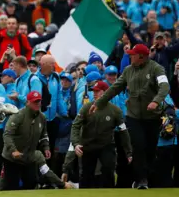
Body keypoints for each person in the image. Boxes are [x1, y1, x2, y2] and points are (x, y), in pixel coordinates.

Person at [90, 44, 169, 189]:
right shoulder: (128, 71)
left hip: (152, 116)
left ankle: (147, 177)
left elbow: (165, 87)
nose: (129, 56)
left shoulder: (156, 68)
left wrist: (155, 101)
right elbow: (114, 88)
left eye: (132, 54)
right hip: (133, 116)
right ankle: (141, 180)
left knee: (150, 149)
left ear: (141, 56)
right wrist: (99, 102)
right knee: (138, 146)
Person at [72, 81, 133, 189]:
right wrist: (76, 143)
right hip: (88, 145)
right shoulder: (86, 108)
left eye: (97, 91)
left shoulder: (115, 111)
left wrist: (128, 152)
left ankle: (109, 194)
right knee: (86, 174)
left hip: (106, 145)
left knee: (108, 169)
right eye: (93, 91)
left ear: (105, 93)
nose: (94, 94)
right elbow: (75, 125)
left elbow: (123, 131)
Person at [0, 91, 50, 191]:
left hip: (29, 157)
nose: (37, 104)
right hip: (12, 158)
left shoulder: (42, 117)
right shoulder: (18, 116)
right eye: (34, 102)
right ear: (28, 102)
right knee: (10, 187)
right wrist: (13, 150)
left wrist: (46, 147)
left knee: (31, 184)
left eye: (38, 101)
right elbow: (7, 134)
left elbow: (44, 134)